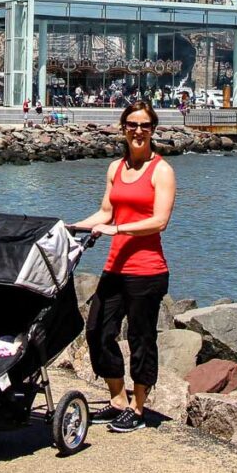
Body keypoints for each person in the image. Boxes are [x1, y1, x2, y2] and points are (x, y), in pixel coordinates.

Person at [74, 100, 176, 434]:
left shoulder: (161, 170)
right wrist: (71, 227)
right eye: (132, 124)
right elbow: (105, 213)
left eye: (145, 125)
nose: (138, 131)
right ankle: (118, 398)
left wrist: (116, 229)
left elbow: (159, 221)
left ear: (153, 130)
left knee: (141, 338)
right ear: (123, 128)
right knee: (97, 331)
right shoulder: (115, 168)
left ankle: (138, 406)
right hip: (115, 267)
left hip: (147, 271)